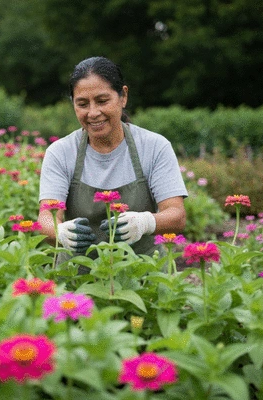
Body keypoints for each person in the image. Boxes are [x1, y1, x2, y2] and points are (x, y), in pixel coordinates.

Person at [38, 56, 187, 261]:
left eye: (102, 101)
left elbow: (177, 216)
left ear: (123, 96)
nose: (93, 113)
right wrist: (59, 232)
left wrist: (145, 222)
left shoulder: (154, 147)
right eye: (82, 104)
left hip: (143, 275)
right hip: (77, 281)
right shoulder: (61, 152)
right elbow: (47, 218)